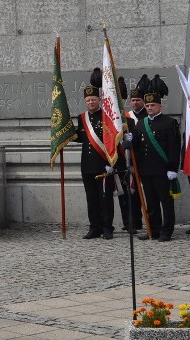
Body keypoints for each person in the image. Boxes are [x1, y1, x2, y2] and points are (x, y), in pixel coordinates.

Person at [133, 76, 181, 242]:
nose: (150, 107)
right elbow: (138, 148)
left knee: (165, 203)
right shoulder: (140, 124)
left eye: (153, 105)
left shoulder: (169, 123)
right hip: (146, 170)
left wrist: (173, 169)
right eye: (147, 105)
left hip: (162, 170)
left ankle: (166, 231)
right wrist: (128, 143)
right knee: (151, 203)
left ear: (160, 105)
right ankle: (153, 229)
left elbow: (174, 148)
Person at [73, 69, 117, 240]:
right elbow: (81, 136)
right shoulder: (82, 117)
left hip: (103, 164)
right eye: (88, 100)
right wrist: (64, 135)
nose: (90, 102)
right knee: (91, 199)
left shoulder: (107, 116)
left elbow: (111, 140)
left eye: (93, 100)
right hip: (87, 165)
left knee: (105, 198)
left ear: (99, 100)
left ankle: (107, 227)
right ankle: (94, 227)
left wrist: (111, 162)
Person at [119, 77, 148, 233]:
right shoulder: (126, 117)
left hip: (146, 159)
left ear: (143, 101)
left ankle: (151, 223)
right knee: (132, 192)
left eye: (138, 100)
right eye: (133, 100)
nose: (135, 103)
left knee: (149, 193)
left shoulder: (147, 116)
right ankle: (134, 222)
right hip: (130, 160)